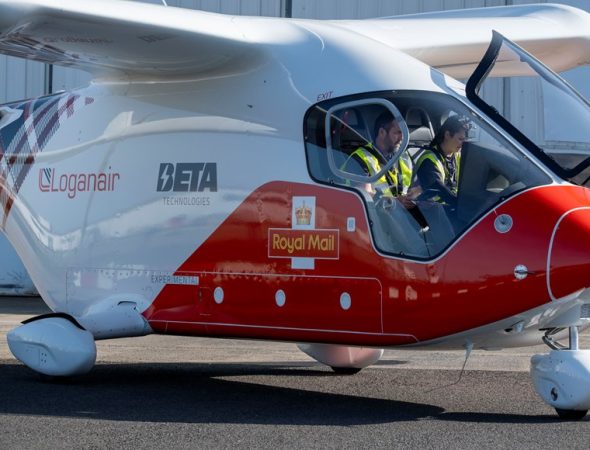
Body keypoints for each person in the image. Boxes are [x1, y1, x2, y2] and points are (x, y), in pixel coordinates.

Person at [342, 112, 414, 203]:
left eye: (403, 133)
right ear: (382, 132)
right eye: (397, 133)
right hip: (366, 210)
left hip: (400, 210)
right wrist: (397, 202)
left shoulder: (404, 157)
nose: (402, 138)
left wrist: (417, 194)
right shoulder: (360, 158)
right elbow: (364, 196)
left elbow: (412, 187)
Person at [413, 115, 469, 209]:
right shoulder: (429, 161)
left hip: (446, 208)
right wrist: (463, 206)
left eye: (464, 139)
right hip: (428, 211)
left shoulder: (457, 156)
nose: (463, 143)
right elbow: (439, 189)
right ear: (447, 135)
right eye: (460, 139)